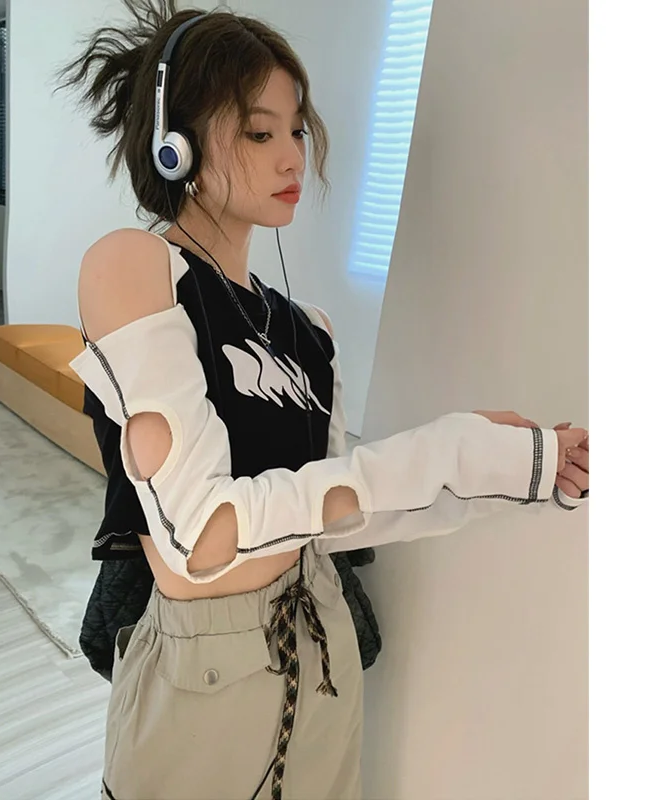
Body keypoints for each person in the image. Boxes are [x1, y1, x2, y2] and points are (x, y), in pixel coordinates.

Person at [59, 2, 590, 798]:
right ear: (177, 144)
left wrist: (502, 471)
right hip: (206, 681)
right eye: (258, 131)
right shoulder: (135, 269)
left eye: (298, 130)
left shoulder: (310, 330)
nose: (292, 156)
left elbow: (338, 517)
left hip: (323, 653)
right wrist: (448, 451)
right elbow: (201, 540)